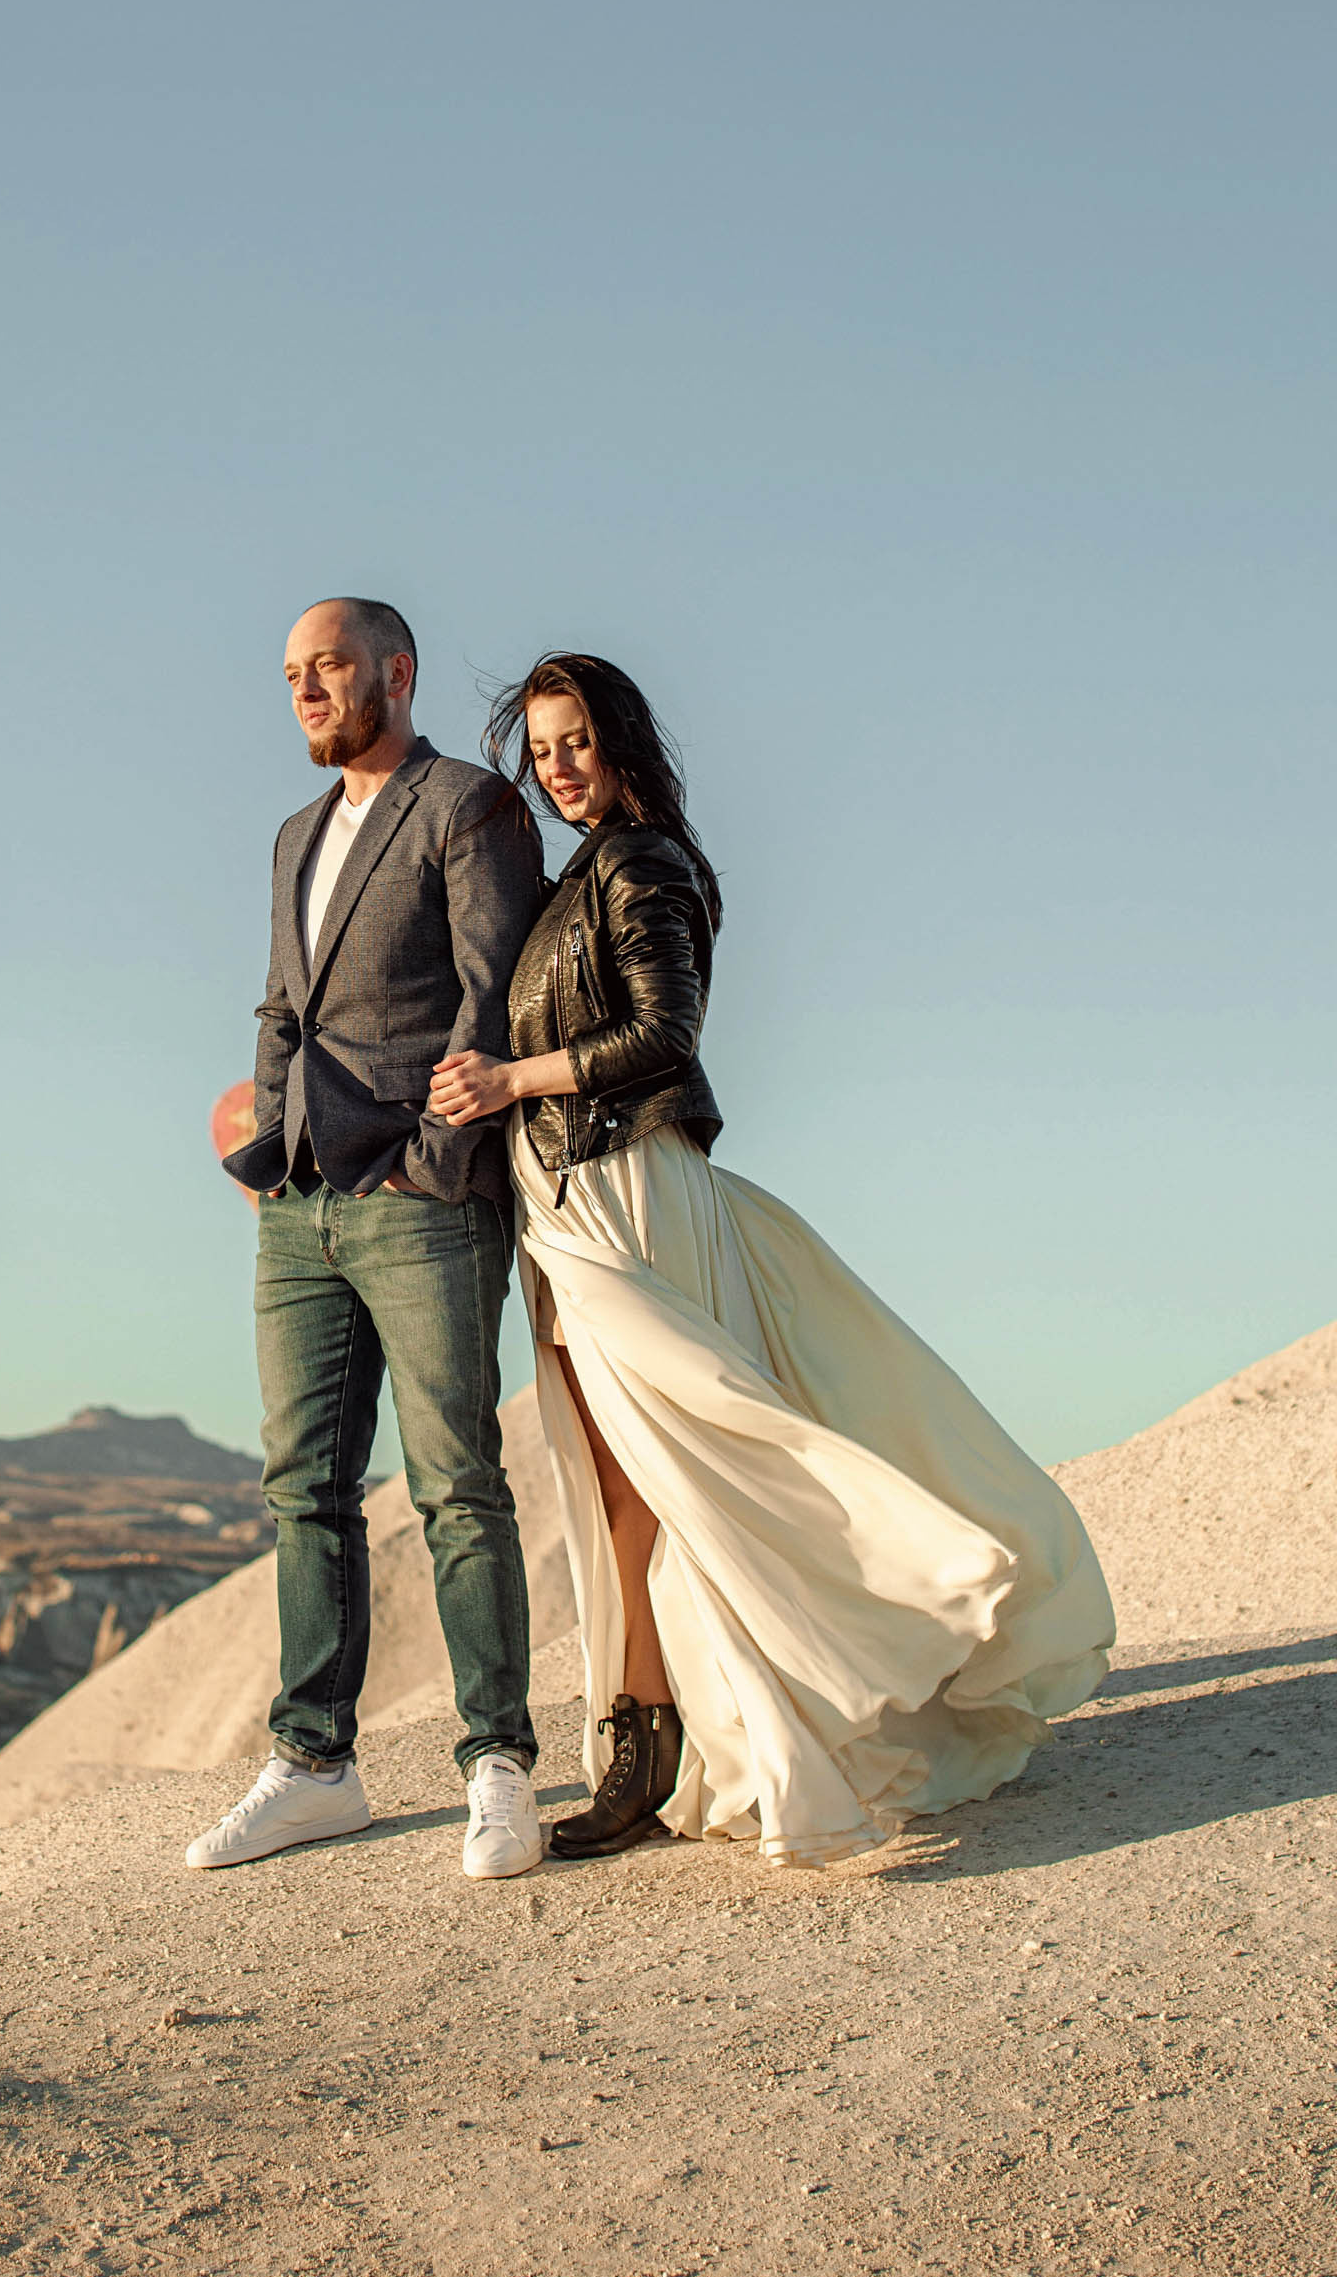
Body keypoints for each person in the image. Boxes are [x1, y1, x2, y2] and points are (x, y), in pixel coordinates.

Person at [429, 653, 1115, 1868]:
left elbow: (663, 1034)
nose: (558, 767)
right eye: (539, 751)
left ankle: (694, 1723)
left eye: (575, 740)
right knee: (620, 1477)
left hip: (624, 1190)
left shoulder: (641, 863)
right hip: (569, 1198)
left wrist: (506, 1079)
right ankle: (657, 1732)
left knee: (680, 1464)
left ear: (620, 739)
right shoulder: (579, 876)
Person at [188, 598, 550, 1882]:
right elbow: (280, 1007)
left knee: (454, 1482)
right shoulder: (294, 833)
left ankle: (497, 1762)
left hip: (418, 1199)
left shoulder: (464, 806)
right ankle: (314, 1767)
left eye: (328, 666)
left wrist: (433, 1164)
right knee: (304, 1488)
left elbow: (493, 996)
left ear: (394, 673)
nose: (304, 689)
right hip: (298, 1207)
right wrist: (268, 1155)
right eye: (291, 672)